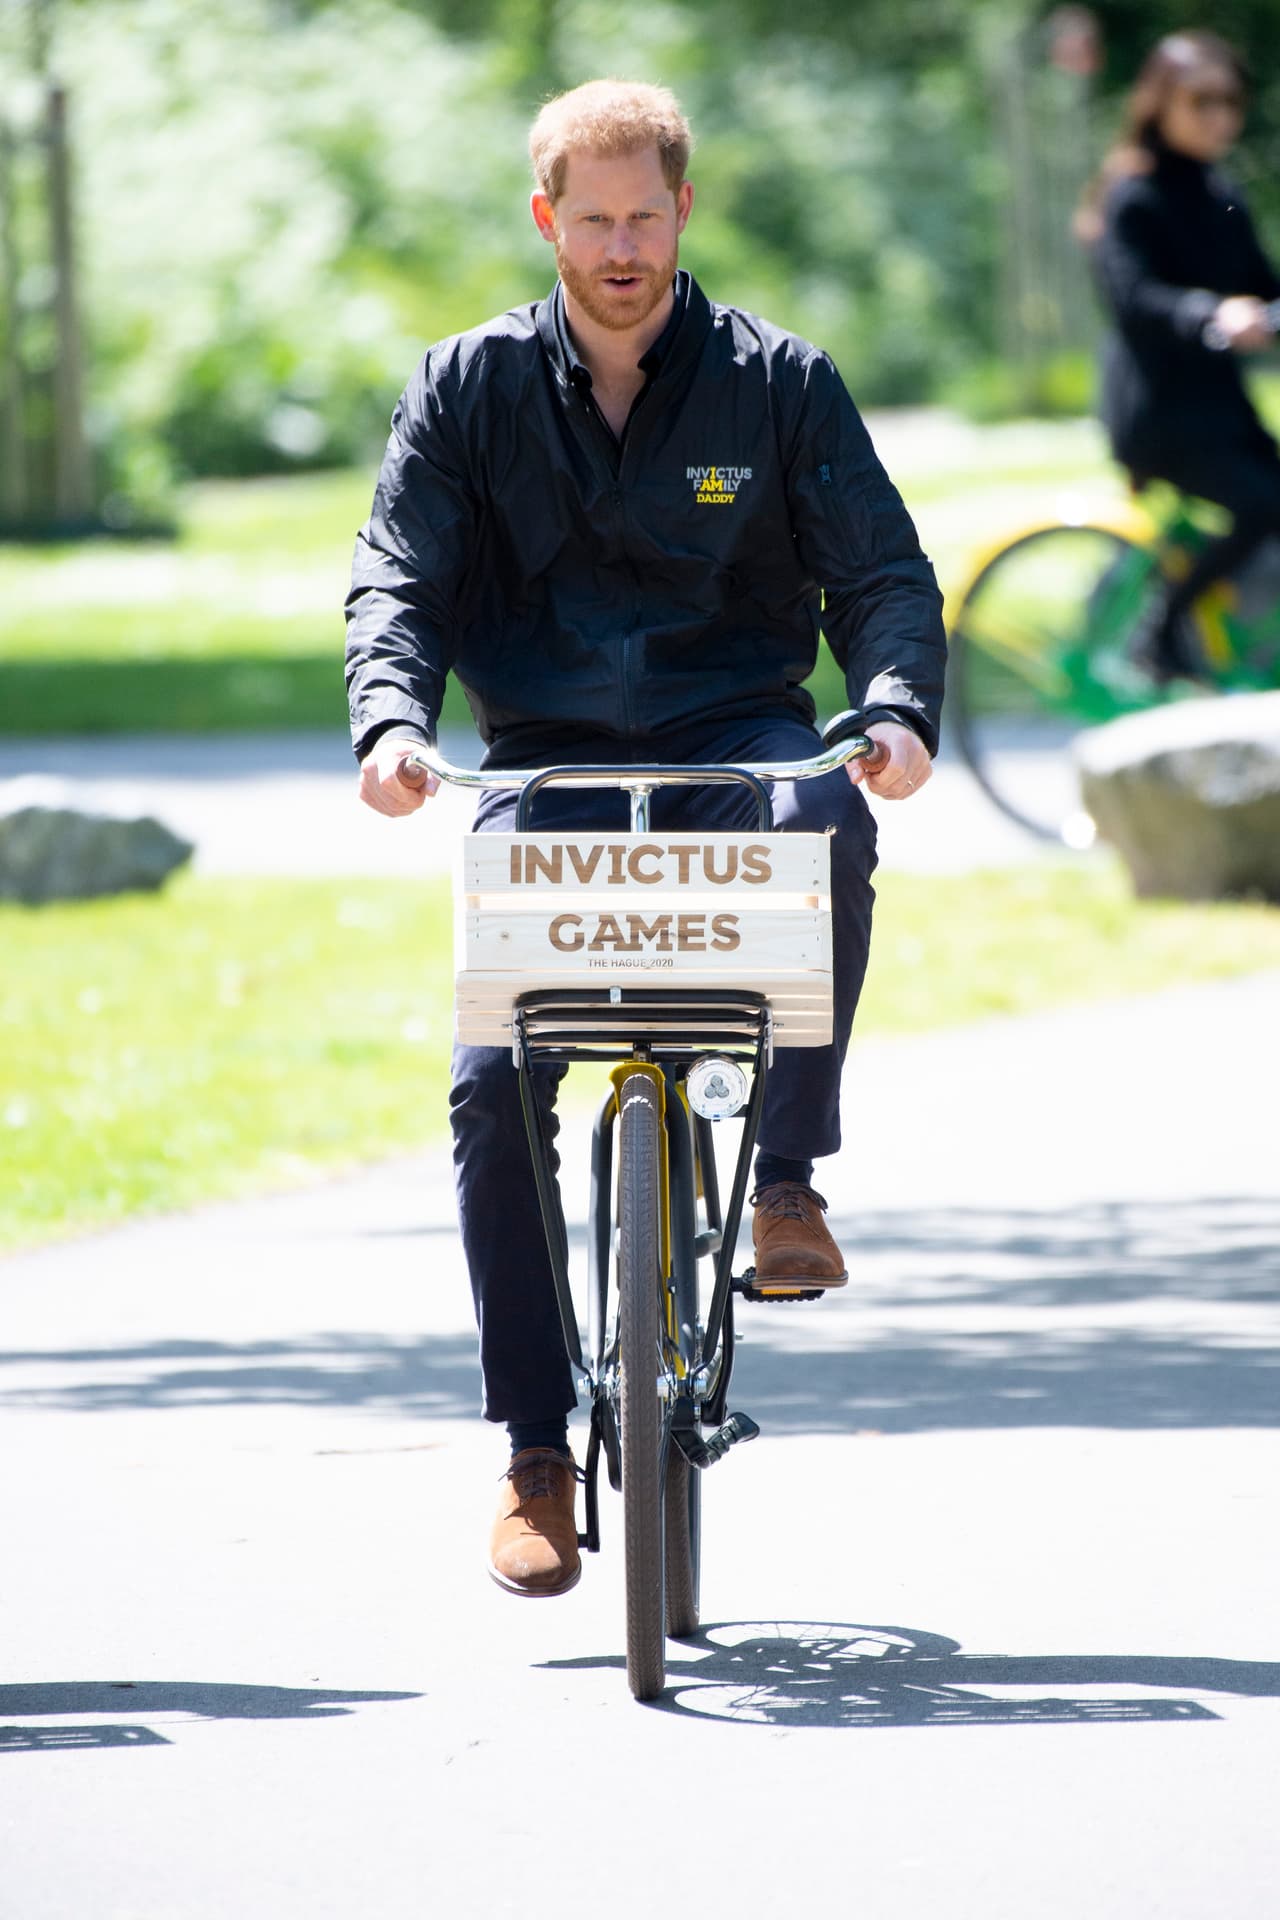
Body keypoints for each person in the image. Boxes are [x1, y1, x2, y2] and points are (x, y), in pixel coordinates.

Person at [345, 80, 945, 1598]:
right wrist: (392, 723)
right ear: (546, 219)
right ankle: (534, 1452)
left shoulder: (778, 383)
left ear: (684, 212)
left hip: (733, 741)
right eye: (593, 219)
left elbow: (880, 571)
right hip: (542, 764)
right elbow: (398, 575)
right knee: (489, 1088)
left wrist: (892, 708)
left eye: (645, 217)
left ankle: (786, 1179)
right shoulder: (466, 386)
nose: (621, 248)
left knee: (824, 811)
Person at [1080, 30, 1280, 679]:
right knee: (1264, 505)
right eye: (1202, 101)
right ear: (1161, 102)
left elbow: (1264, 288)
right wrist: (1211, 312)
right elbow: (1134, 298)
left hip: (1221, 412)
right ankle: (1162, 628)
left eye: (1231, 101)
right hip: (1160, 417)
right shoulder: (1132, 194)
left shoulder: (1222, 194)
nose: (1220, 116)